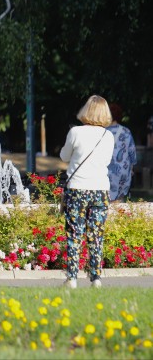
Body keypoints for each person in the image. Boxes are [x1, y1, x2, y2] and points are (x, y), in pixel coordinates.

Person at [59, 95, 114, 289]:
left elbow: (64, 156)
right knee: (96, 235)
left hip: (77, 189)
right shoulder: (108, 136)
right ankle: (96, 278)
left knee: (74, 233)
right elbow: (106, 161)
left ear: (86, 110)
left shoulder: (75, 132)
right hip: (100, 190)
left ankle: (72, 278)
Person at [106, 103, 137, 202]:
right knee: (119, 201)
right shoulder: (126, 131)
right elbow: (132, 152)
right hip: (122, 171)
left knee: (104, 200)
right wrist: (131, 168)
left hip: (105, 171)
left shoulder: (102, 131)